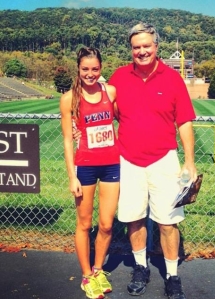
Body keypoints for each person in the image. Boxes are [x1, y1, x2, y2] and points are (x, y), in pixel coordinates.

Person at [108, 23, 197, 299]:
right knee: (133, 219)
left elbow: (184, 122)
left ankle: (172, 275)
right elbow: (103, 114)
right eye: (137, 47)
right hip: (129, 160)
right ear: (131, 49)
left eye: (147, 46)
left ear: (156, 47)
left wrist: (189, 162)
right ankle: (140, 267)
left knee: (167, 222)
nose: (142, 51)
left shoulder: (172, 79)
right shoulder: (119, 78)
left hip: (164, 160)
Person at [60, 47, 120, 299]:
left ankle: (98, 270)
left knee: (106, 224)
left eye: (95, 69)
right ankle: (86, 275)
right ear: (78, 69)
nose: (90, 73)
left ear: (101, 68)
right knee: (84, 223)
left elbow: (118, 118)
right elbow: (66, 140)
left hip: (111, 164)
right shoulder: (69, 98)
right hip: (84, 165)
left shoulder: (111, 92)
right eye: (85, 69)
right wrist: (71, 176)